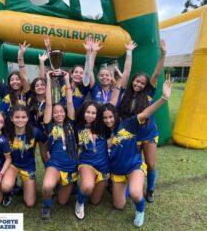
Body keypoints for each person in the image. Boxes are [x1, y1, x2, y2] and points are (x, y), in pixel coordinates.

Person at [102, 78, 171, 227]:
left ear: (116, 115)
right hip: (118, 172)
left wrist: (164, 98)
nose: (108, 120)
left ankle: (140, 210)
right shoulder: (102, 133)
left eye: (110, 116)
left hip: (134, 167)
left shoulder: (129, 123)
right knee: (119, 205)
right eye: (105, 118)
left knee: (135, 194)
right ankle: (124, 186)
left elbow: (146, 113)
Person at [119, 40, 167, 203]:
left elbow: (156, 74)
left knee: (151, 164)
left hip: (149, 134)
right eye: (137, 81)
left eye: (142, 83)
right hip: (133, 136)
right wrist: (129, 52)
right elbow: (126, 72)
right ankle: (126, 189)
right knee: (132, 164)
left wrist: (163, 54)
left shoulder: (148, 94)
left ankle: (150, 189)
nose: (138, 84)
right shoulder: (125, 94)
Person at [74, 68, 123, 220]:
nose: (90, 115)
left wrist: (120, 81)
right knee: (87, 187)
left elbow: (113, 103)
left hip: (103, 166)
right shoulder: (78, 127)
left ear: (98, 115)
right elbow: (75, 147)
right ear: (83, 113)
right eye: (87, 112)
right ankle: (79, 202)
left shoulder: (102, 126)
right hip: (87, 163)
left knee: (95, 201)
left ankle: (88, 189)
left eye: (93, 113)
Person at [41, 70, 78, 220]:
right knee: (47, 186)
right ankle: (46, 206)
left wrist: (67, 80)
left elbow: (69, 101)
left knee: (62, 202)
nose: (58, 114)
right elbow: (49, 103)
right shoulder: (49, 125)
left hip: (71, 165)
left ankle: (69, 184)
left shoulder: (70, 122)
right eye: (55, 112)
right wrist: (48, 79)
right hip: (55, 164)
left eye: (61, 112)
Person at [1, 105, 46, 207]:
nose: (20, 120)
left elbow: (45, 143)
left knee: (30, 203)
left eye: (23, 117)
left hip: (28, 167)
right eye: (17, 117)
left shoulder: (35, 132)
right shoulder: (7, 132)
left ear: (28, 118)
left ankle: (25, 185)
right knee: (5, 187)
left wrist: (48, 154)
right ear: (11, 119)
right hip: (12, 165)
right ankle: (9, 191)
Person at [43, 35, 91, 110]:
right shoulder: (64, 80)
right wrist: (48, 48)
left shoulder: (84, 87)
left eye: (81, 73)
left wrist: (88, 52)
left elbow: (88, 70)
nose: (78, 74)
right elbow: (55, 67)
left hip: (75, 117)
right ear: (71, 75)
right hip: (61, 115)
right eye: (76, 72)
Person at [0, 41, 30, 118]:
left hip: (21, 126)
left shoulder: (26, 92)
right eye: (12, 80)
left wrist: (20, 56)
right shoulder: (5, 90)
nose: (14, 81)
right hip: (6, 127)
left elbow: (24, 77)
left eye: (17, 79)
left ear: (21, 81)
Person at [86, 39, 137, 104]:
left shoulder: (117, 89)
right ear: (98, 77)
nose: (104, 77)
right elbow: (89, 70)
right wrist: (94, 52)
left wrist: (129, 51)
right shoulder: (95, 87)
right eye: (102, 75)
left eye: (107, 75)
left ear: (111, 77)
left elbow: (127, 72)